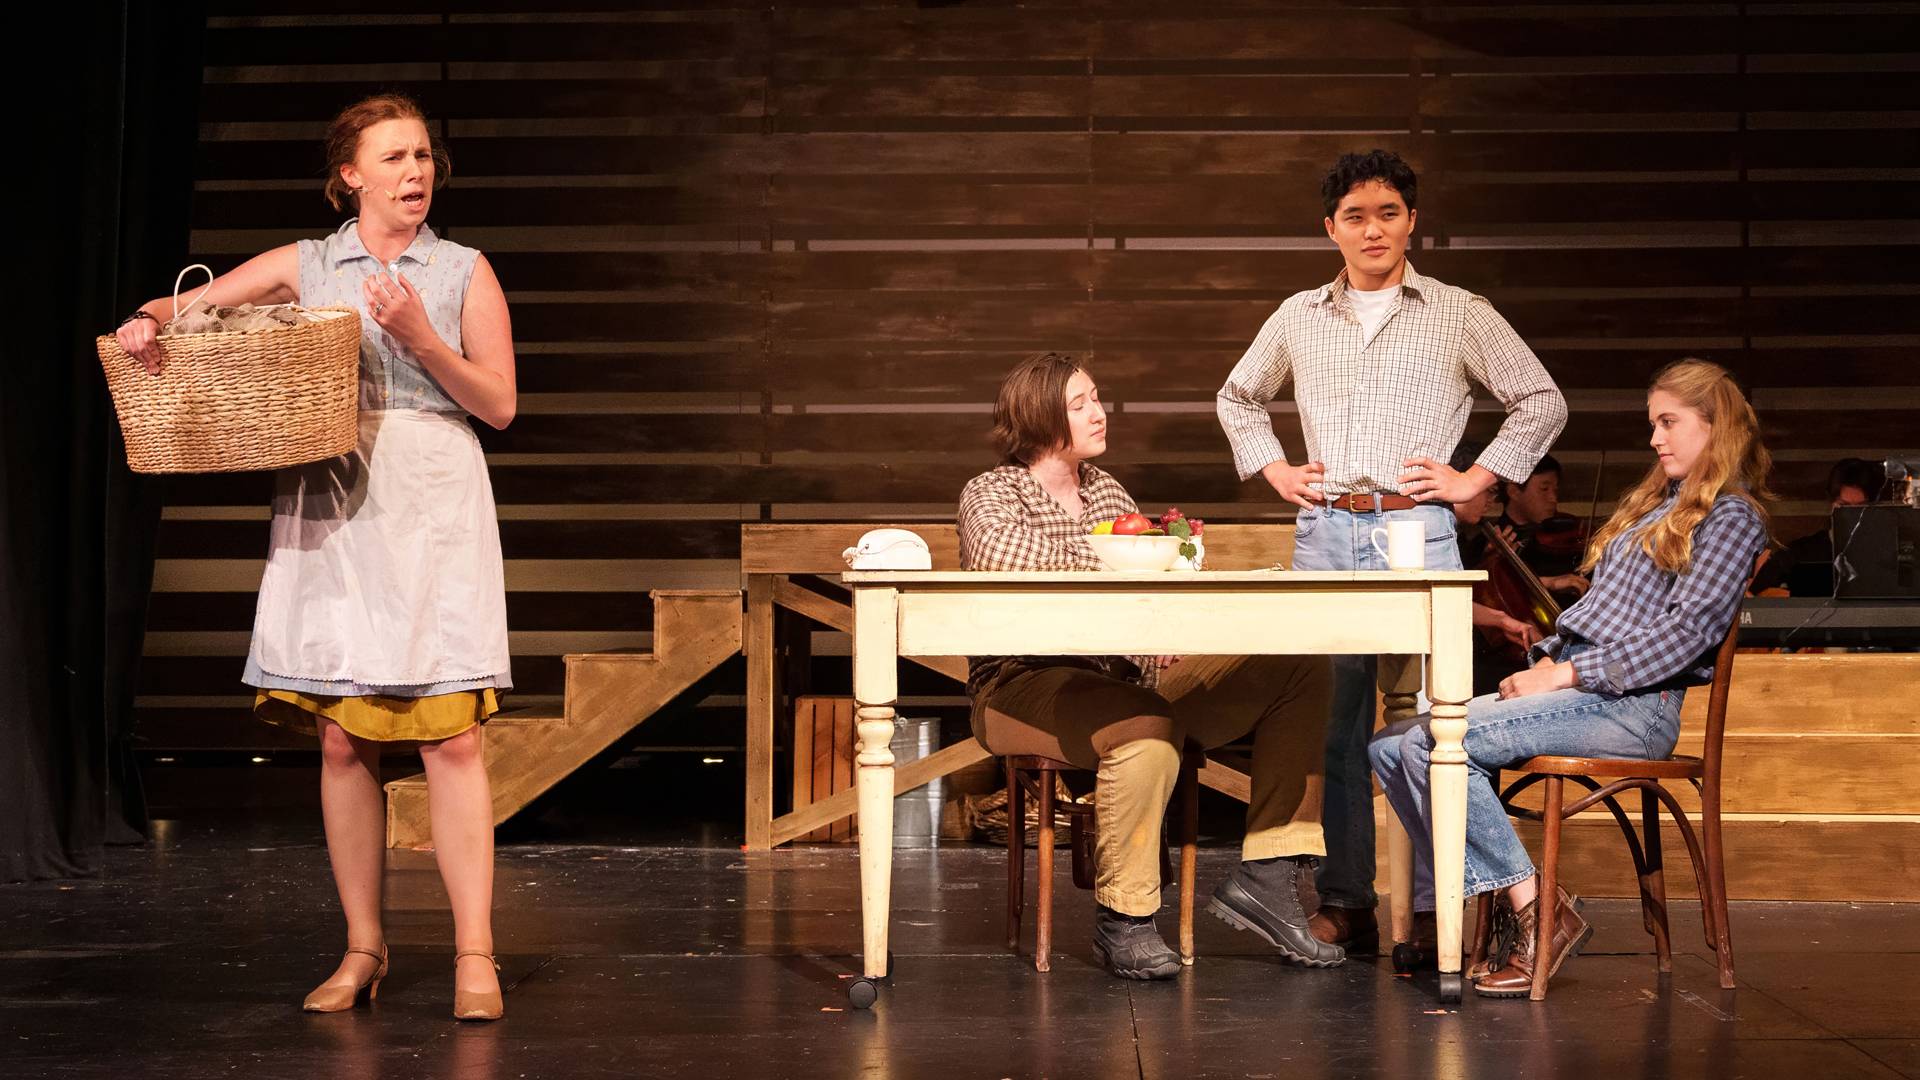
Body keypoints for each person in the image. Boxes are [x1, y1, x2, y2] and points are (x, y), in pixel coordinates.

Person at [114, 94, 517, 1021]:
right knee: (342, 738)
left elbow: (498, 405)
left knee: (452, 734)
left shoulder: (461, 269)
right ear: (351, 176)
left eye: (423, 155)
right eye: (394, 158)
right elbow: (179, 307)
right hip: (333, 501)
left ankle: (474, 956)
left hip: (430, 500)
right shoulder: (308, 264)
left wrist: (422, 338)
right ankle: (363, 950)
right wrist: (147, 328)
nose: (415, 172)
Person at [1215, 149, 1567, 953]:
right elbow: (1239, 395)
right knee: (1333, 723)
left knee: (1428, 723)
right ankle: (1351, 902)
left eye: (1387, 213)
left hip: (1418, 528)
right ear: (1329, 228)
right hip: (1328, 530)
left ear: (1412, 220)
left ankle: (1435, 907)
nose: (1372, 229)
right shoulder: (1301, 314)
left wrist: (1475, 477)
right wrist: (1273, 468)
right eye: (1354, 216)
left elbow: (1540, 399)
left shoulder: (1458, 310)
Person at [1369, 358, 1772, 998]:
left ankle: (1536, 910)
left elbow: (1686, 635)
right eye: (1653, 424)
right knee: (1391, 747)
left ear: (1714, 423)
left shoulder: (1731, 518)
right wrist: (1540, 668)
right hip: (1579, 692)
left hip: (1632, 707)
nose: (1655, 438)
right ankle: (1512, 899)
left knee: (1436, 743)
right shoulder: (1655, 509)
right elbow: (1593, 617)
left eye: (1668, 422)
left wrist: (1562, 675)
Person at [960, 352, 1343, 979]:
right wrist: (1129, 565)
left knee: (1299, 664)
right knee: (1146, 728)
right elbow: (1015, 562)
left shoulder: (1108, 491)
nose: (1098, 412)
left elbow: (1152, 581)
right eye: (1080, 403)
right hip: (1023, 683)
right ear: (1039, 414)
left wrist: (1162, 616)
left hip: (1126, 679)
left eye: (1096, 398)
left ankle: (1271, 872)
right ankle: (1127, 919)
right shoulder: (992, 492)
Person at [1449, 442, 1542, 699]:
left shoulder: (1459, 535)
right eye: (1489, 492)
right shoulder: (1441, 535)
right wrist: (1501, 619)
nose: (1492, 502)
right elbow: (1446, 601)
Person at [1749, 457, 1883, 596]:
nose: (1852, 516)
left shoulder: (1885, 553)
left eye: (1861, 507)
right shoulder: (1798, 554)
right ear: (1831, 503)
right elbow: (1755, 598)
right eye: (1844, 506)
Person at [1494, 453, 1592, 601]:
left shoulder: (1568, 538)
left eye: (1555, 490)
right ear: (1513, 491)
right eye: (1544, 489)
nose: (1553, 498)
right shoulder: (1489, 543)